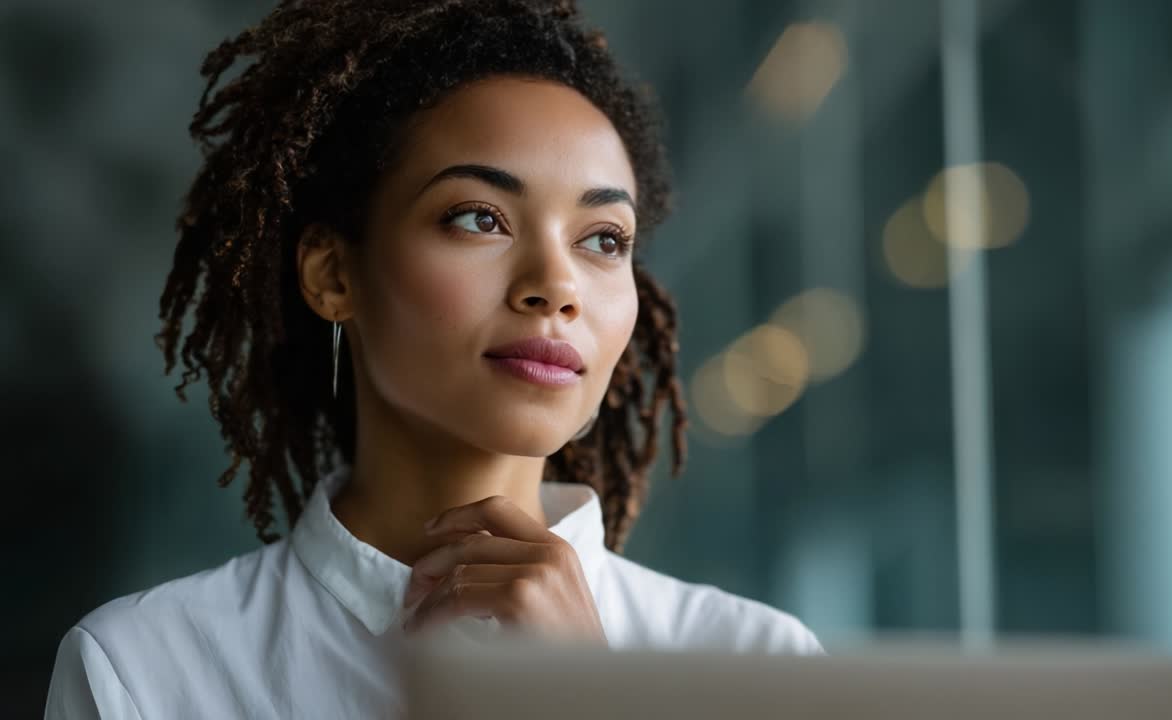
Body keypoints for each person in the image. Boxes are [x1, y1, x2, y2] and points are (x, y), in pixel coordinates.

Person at [45, 0, 823, 716]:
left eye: (603, 240)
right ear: (334, 275)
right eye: (480, 218)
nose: (556, 286)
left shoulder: (759, 666)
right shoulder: (143, 672)